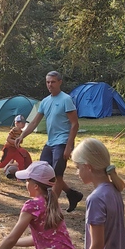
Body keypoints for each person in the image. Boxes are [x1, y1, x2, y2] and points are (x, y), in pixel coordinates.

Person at [0, 160, 76, 249]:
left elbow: (12, 238)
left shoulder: (32, 205)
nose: (26, 183)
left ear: (36, 186)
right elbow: (41, 237)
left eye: (27, 180)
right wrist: (11, 243)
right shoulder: (51, 202)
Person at [15, 71, 83, 212]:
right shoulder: (45, 101)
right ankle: (72, 194)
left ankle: (50, 208)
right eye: (48, 82)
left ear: (59, 82)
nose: (50, 85)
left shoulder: (66, 99)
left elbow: (75, 124)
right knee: (42, 173)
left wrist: (68, 146)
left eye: (53, 82)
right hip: (51, 142)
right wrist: (22, 136)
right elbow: (34, 122)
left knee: (57, 176)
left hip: (63, 142)